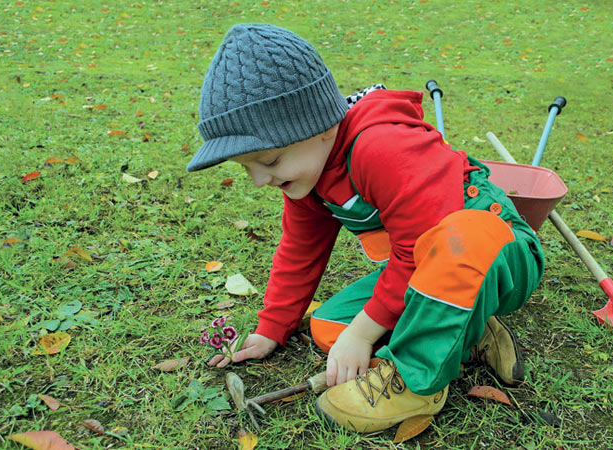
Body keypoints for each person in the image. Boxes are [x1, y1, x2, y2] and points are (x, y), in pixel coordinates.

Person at [189, 23, 544, 433]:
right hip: (428, 271)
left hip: (498, 251)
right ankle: (467, 328)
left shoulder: (380, 146)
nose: (258, 180)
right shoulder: (308, 177)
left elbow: (418, 247)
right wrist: (272, 328)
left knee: (458, 238)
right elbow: (300, 252)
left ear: (318, 127)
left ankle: (416, 384)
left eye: (268, 161)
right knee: (330, 328)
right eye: (247, 167)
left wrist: (363, 333)